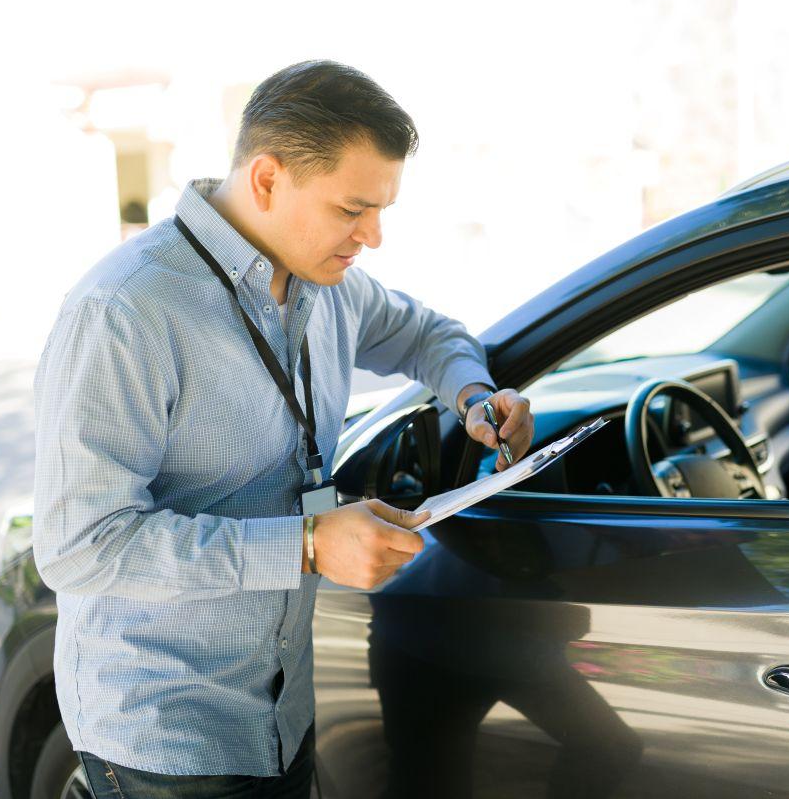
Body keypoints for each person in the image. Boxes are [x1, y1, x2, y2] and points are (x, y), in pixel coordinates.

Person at [32, 59, 535, 797]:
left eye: (381, 210)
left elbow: (431, 333)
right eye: (352, 209)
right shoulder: (124, 312)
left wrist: (473, 395)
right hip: (167, 737)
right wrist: (305, 546)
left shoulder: (330, 283)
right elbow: (81, 546)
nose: (374, 236)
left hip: (283, 716)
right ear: (267, 180)